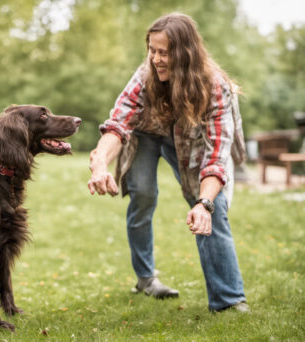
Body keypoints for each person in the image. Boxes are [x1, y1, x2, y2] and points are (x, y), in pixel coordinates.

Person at [87, 13, 249, 312]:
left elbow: (216, 157)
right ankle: (146, 279)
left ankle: (228, 300)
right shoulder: (145, 75)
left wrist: (204, 203)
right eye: (152, 50)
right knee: (143, 195)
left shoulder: (214, 87)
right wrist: (100, 165)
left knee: (211, 209)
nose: (156, 59)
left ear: (185, 53)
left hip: (190, 143)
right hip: (146, 134)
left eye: (164, 52)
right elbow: (118, 123)